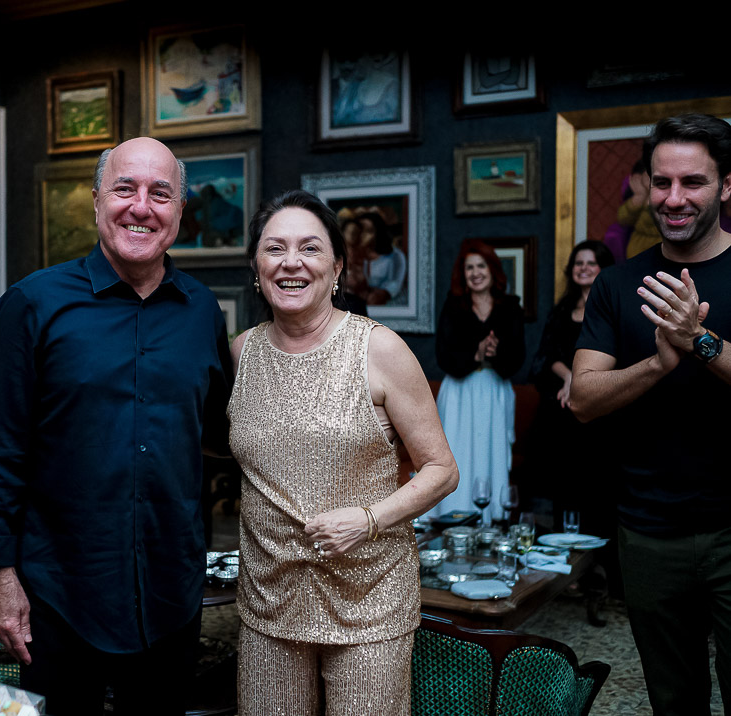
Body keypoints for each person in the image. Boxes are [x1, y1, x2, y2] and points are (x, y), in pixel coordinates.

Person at [0, 137, 231, 715]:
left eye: (160, 193)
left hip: (170, 591)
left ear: (180, 211)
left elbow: (220, 435)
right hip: (58, 593)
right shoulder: (32, 304)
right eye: (124, 189)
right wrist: (1, 577)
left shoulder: (202, 312)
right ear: (95, 202)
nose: (142, 207)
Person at [228, 190, 457, 715]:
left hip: (368, 599)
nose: (291, 262)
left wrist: (369, 519)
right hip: (268, 601)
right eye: (274, 248)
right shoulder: (241, 352)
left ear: (336, 268)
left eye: (309, 248)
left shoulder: (378, 349)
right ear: (257, 268)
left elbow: (442, 470)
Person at [572, 113, 731, 714]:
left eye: (693, 182)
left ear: (727, 185)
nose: (674, 198)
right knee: (674, 701)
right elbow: (583, 400)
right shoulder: (618, 284)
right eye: (661, 182)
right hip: (648, 532)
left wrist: (700, 341)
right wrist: (657, 365)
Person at [527, 240, 618, 591]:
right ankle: (570, 573)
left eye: (591, 263)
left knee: (598, 492)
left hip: (599, 418)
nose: (584, 268)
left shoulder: (612, 306)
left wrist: (581, 384)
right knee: (565, 490)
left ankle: (603, 571)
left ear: (604, 268)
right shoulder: (562, 309)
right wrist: (568, 377)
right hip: (561, 417)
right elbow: (544, 356)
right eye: (579, 263)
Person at [431, 240, 524, 517]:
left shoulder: (510, 307)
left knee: (491, 452)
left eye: (481, 266)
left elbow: (518, 357)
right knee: (458, 452)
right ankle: (454, 517)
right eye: (469, 268)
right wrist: (476, 354)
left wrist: (496, 352)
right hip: (460, 393)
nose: (475, 273)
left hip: (494, 389)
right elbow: (443, 356)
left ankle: (491, 519)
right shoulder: (453, 305)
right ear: (463, 274)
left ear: (492, 270)